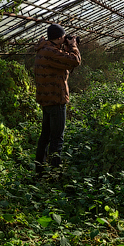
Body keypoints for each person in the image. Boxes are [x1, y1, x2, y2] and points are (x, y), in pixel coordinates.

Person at [33, 23, 81, 178]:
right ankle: (55, 173)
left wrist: (64, 48)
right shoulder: (51, 52)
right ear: (60, 37)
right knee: (57, 139)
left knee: (45, 136)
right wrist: (73, 46)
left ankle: (39, 170)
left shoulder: (43, 50)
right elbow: (74, 61)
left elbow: (59, 65)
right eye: (63, 37)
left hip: (46, 99)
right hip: (55, 99)